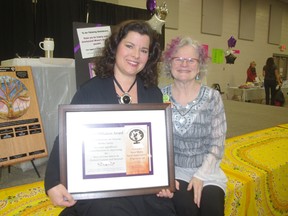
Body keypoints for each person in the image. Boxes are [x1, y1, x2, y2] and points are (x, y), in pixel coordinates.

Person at [44, 20, 176, 216]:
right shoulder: (89, 91)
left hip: (142, 185)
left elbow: (158, 144)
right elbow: (65, 137)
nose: (136, 55)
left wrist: (165, 177)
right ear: (115, 47)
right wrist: (52, 182)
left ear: (149, 56)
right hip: (102, 188)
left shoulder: (153, 94)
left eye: (144, 50)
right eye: (129, 46)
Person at [161, 36, 227, 216]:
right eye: (179, 59)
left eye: (191, 60)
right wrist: (164, 176)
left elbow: (217, 144)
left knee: (212, 209)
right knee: (186, 209)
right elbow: (155, 143)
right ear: (170, 63)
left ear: (199, 66)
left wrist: (200, 175)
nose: (184, 64)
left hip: (208, 170)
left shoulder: (213, 97)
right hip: (175, 172)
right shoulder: (158, 97)